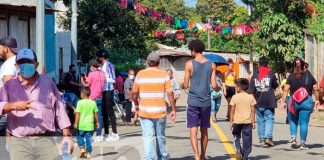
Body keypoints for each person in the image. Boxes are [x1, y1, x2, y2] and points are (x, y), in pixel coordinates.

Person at [0, 48, 73, 160]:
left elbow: (60, 109)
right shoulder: (9, 86)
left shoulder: (48, 83)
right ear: (16, 66)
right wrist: (13, 106)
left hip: (46, 140)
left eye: (29, 62)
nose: (25, 65)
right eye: (21, 62)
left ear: (36, 64)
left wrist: (67, 135)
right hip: (19, 142)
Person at [132, 51, 176, 160]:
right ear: (159, 62)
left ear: (147, 62)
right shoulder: (164, 74)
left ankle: (149, 158)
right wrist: (173, 109)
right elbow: (170, 93)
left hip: (145, 112)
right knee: (160, 136)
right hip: (160, 112)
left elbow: (134, 94)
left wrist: (136, 106)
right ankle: (163, 157)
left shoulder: (140, 74)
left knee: (148, 137)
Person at [183, 39, 218, 160]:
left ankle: (196, 156)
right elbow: (214, 85)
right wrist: (219, 89)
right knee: (204, 130)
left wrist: (183, 85)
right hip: (206, 102)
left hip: (193, 101)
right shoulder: (212, 65)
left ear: (193, 50)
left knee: (193, 130)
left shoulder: (189, 64)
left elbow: (186, 85)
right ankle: (203, 155)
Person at [281, 59, 319, 150]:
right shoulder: (309, 76)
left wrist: (283, 101)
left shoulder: (291, 76)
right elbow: (316, 89)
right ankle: (303, 144)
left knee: (293, 121)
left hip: (293, 102)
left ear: (295, 66)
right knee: (304, 123)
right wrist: (317, 100)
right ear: (303, 66)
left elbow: (286, 90)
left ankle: (293, 140)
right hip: (306, 101)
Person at [250, 56, 278, 147]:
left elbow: (251, 89)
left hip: (258, 101)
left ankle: (262, 139)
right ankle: (268, 138)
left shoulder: (255, 75)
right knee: (269, 119)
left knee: (260, 120)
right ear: (267, 64)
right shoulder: (271, 73)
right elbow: (275, 85)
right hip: (269, 101)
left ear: (259, 64)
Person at [230, 78, 256, 160]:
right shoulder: (250, 97)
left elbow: (232, 110)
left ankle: (237, 149)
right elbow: (253, 110)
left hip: (237, 121)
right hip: (247, 122)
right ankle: (245, 156)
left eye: (236, 87)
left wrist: (231, 121)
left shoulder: (234, 97)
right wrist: (253, 121)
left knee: (236, 136)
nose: (235, 88)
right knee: (247, 139)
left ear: (239, 87)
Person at [96, 49, 119, 141]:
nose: (97, 59)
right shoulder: (102, 66)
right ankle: (106, 133)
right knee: (104, 113)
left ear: (101, 57)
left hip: (109, 90)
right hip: (103, 91)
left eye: (98, 57)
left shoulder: (109, 65)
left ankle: (115, 133)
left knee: (110, 112)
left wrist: (103, 78)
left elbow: (113, 79)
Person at [81, 59, 105, 142]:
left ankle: (89, 136)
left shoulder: (91, 74)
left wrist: (82, 80)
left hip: (92, 98)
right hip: (100, 97)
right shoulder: (102, 74)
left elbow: (86, 85)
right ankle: (99, 135)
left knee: (90, 117)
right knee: (99, 117)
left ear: (92, 66)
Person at [0, 36, 19, 136]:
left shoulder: (9, 64)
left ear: (6, 49)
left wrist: (8, 110)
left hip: (7, 108)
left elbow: (9, 89)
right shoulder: (17, 60)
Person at [74, 87, 99, 159]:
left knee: (80, 136)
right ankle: (88, 153)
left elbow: (77, 114)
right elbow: (96, 114)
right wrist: (97, 122)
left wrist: (76, 123)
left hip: (81, 125)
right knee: (88, 139)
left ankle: (82, 149)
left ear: (82, 94)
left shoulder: (79, 102)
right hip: (90, 125)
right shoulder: (93, 102)